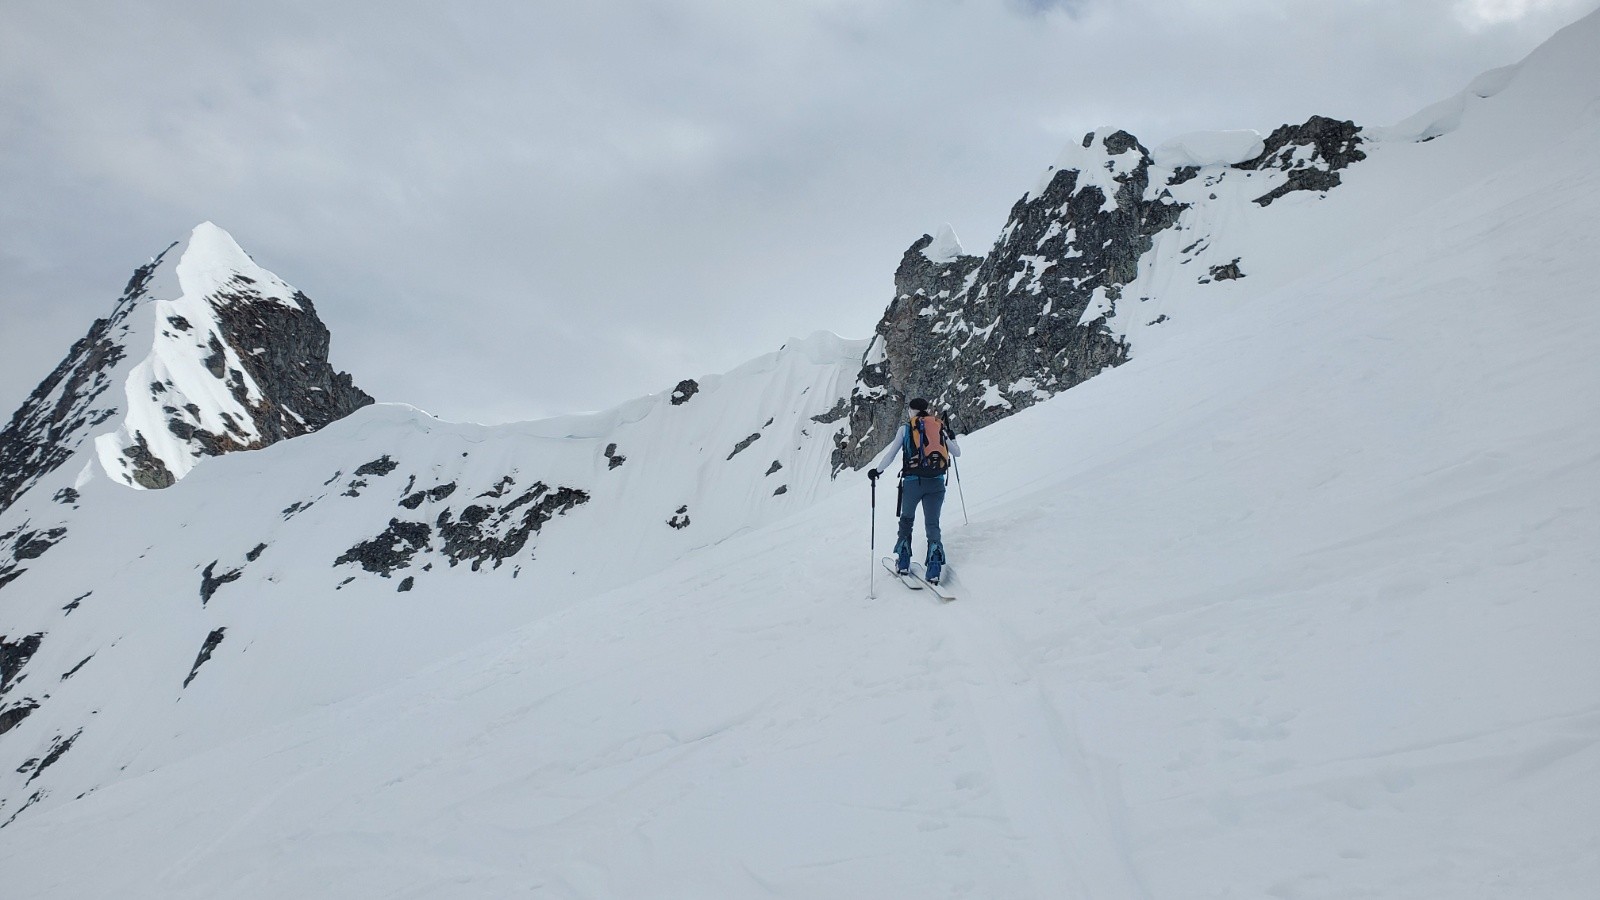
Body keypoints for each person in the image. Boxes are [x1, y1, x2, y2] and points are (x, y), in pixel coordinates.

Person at [867, 398, 960, 583]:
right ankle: (934, 567)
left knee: (906, 520)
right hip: (936, 483)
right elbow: (956, 452)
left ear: (911, 411)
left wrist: (877, 471)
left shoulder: (906, 429)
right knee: (932, 524)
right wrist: (952, 437)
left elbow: (891, 455)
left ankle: (903, 561)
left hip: (912, 483)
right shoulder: (938, 426)